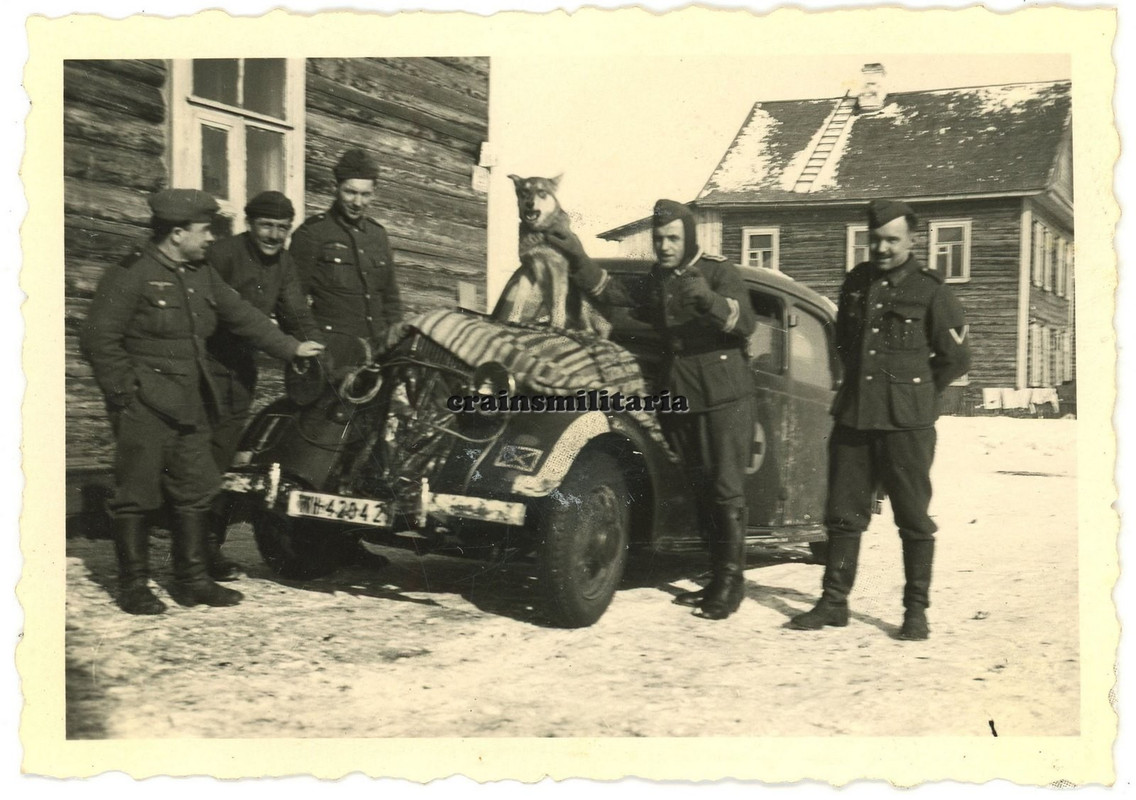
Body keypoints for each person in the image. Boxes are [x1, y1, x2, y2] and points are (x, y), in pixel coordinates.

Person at [81, 189, 325, 615]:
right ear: (177, 234)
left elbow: (242, 315)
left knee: (198, 488)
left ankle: (192, 579)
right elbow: (98, 339)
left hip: (191, 401)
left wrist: (292, 348)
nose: (211, 238)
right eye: (204, 230)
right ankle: (134, 585)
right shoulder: (131, 274)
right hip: (144, 405)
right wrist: (124, 394)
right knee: (136, 494)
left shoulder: (199, 273)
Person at [548, 199, 756, 621]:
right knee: (700, 489)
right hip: (681, 396)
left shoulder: (719, 271)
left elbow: (744, 322)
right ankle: (715, 577)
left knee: (725, 490)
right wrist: (575, 252)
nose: (664, 246)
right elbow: (610, 291)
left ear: (689, 237)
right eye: (659, 239)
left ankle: (731, 583)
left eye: (673, 238)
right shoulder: (659, 278)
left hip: (724, 398)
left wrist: (709, 302)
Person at [789, 199, 970, 640]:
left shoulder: (932, 290)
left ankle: (915, 610)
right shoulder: (856, 282)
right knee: (843, 515)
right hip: (855, 416)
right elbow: (845, 346)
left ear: (911, 239)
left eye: (892, 239)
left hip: (906, 424)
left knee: (913, 519)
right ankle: (834, 603)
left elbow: (955, 358)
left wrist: (917, 394)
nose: (883, 248)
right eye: (876, 239)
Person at [203, 190, 322, 581]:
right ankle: (192, 550)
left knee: (222, 457)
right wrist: (290, 348)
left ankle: (208, 549)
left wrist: (320, 356)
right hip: (203, 367)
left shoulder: (284, 263)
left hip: (240, 371)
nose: (273, 235)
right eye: (266, 226)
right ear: (249, 224)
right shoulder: (222, 255)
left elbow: (296, 313)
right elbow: (231, 317)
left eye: (282, 229)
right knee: (197, 458)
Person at [289, 148, 404, 363]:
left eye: (365, 194)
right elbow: (293, 299)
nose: (358, 202)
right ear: (335, 188)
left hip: (379, 350)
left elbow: (391, 297)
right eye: (350, 192)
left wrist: (395, 339)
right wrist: (313, 343)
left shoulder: (378, 235)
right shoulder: (312, 233)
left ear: (374, 192)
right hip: (334, 352)